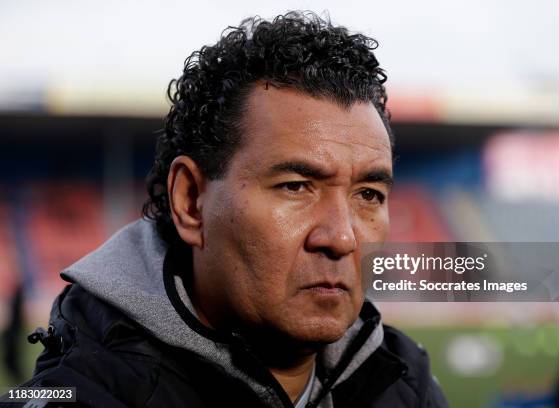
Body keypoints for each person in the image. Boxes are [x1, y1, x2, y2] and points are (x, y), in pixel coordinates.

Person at [6, 11, 447, 407]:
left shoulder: (406, 385)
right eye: (296, 186)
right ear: (191, 202)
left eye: (369, 194)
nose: (342, 237)